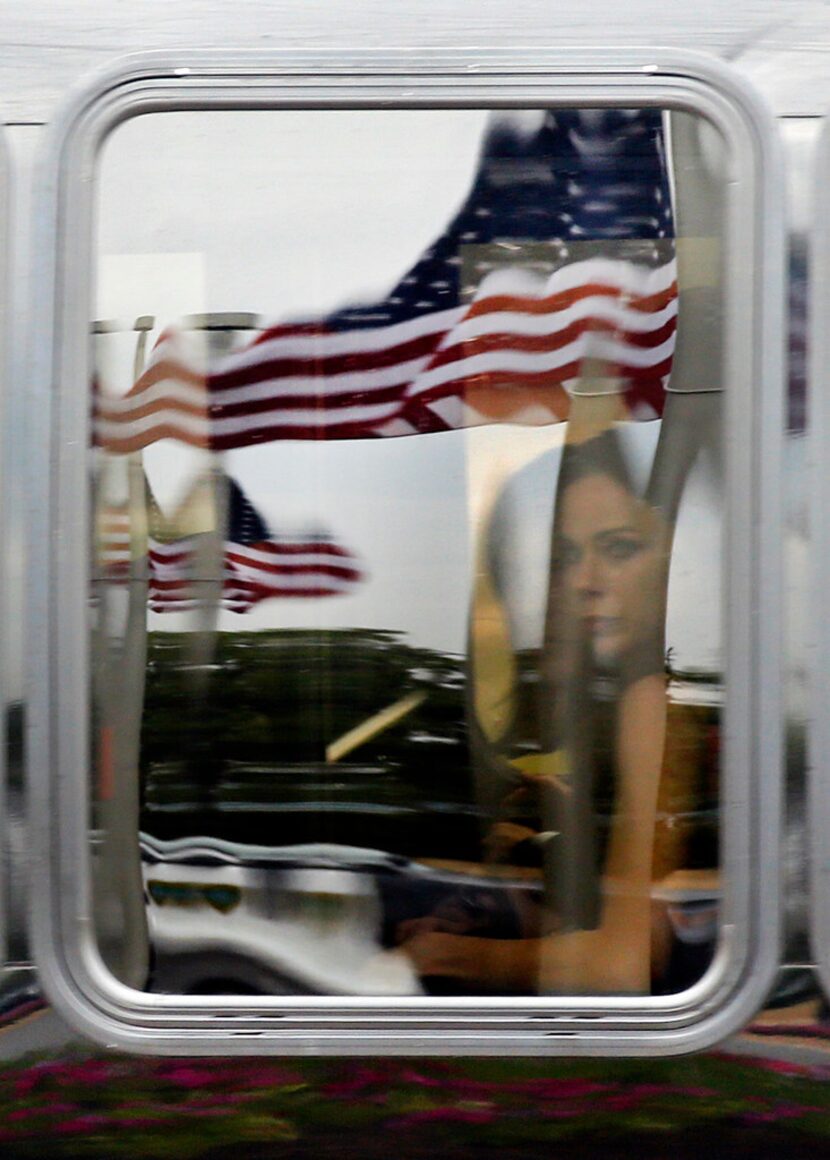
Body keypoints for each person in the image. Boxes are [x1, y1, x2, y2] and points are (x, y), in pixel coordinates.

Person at [400, 427, 713, 995]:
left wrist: (447, 955)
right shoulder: (597, 705)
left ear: (670, 556)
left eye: (618, 548)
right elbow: (636, 916)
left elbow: (626, 966)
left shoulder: (654, 706)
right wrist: (515, 918)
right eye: (564, 557)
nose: (586, 582)